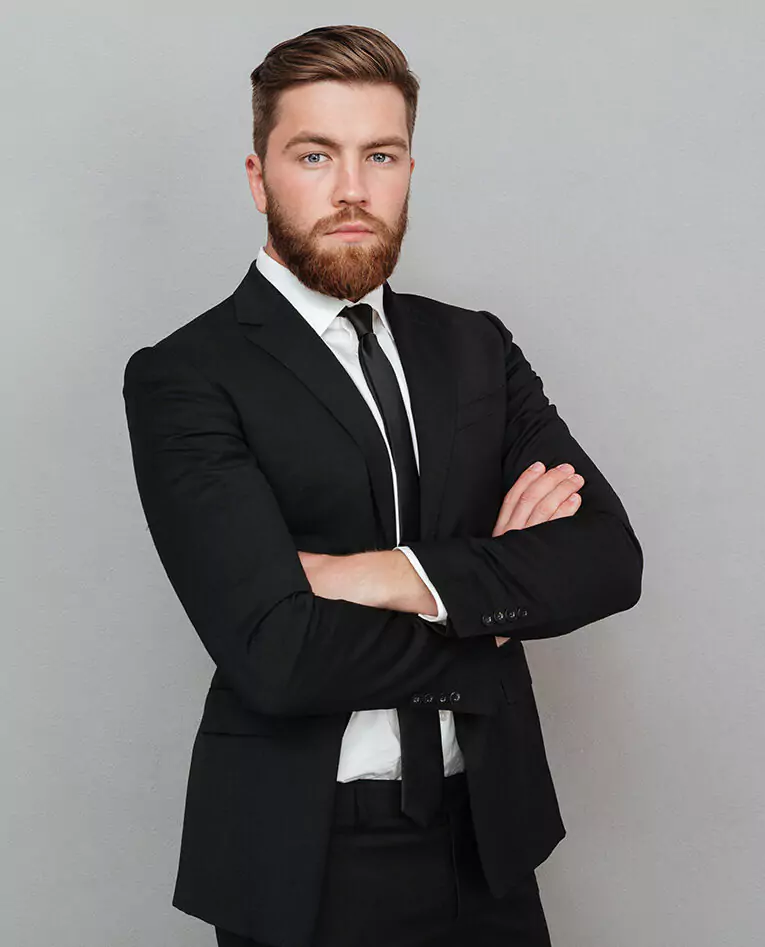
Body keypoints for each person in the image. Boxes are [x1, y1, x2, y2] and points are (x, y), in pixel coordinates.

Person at [122, 24, 643, 947]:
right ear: (258, 178)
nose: (352, 189)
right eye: (314, 155)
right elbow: (277, 653)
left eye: (380, 154)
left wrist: (380, 574)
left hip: (488, 841)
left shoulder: (474, 346)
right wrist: (490, 607)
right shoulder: (186, 375)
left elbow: (606, 558)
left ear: (408, 168)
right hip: (307, 857)